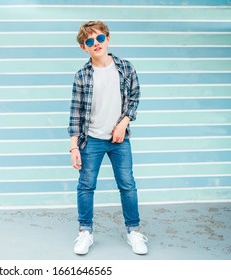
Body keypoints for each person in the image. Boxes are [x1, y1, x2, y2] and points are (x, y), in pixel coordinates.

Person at [68, 20, 148, 255]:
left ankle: (134, 231)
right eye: (90, 41)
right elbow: (75, 113)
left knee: (127, 185)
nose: (96, 44)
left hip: (119, 140)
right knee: (86, 186)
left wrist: (123, 124)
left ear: (108, 39)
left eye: (100, 38)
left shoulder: (125, 68)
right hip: (90, 139)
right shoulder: (82, 75)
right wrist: (74, 147)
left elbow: (134, 99)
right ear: (84, 47)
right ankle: (85, 232)